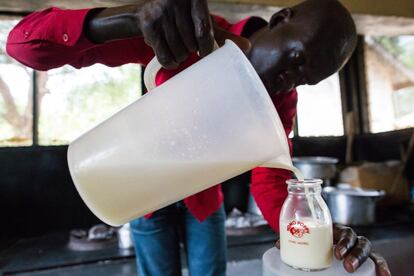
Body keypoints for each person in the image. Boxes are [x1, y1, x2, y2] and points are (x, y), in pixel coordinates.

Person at [6, 0, 391, 275]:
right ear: (281, 18)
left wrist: (308, 229)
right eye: (296, 59)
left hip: (205, 206)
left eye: (306, 81)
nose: (292, 80)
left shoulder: (281, 98)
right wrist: (127, 18)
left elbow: (272, 176)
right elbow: (24, 46)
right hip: (139, 194)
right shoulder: (190, 34)